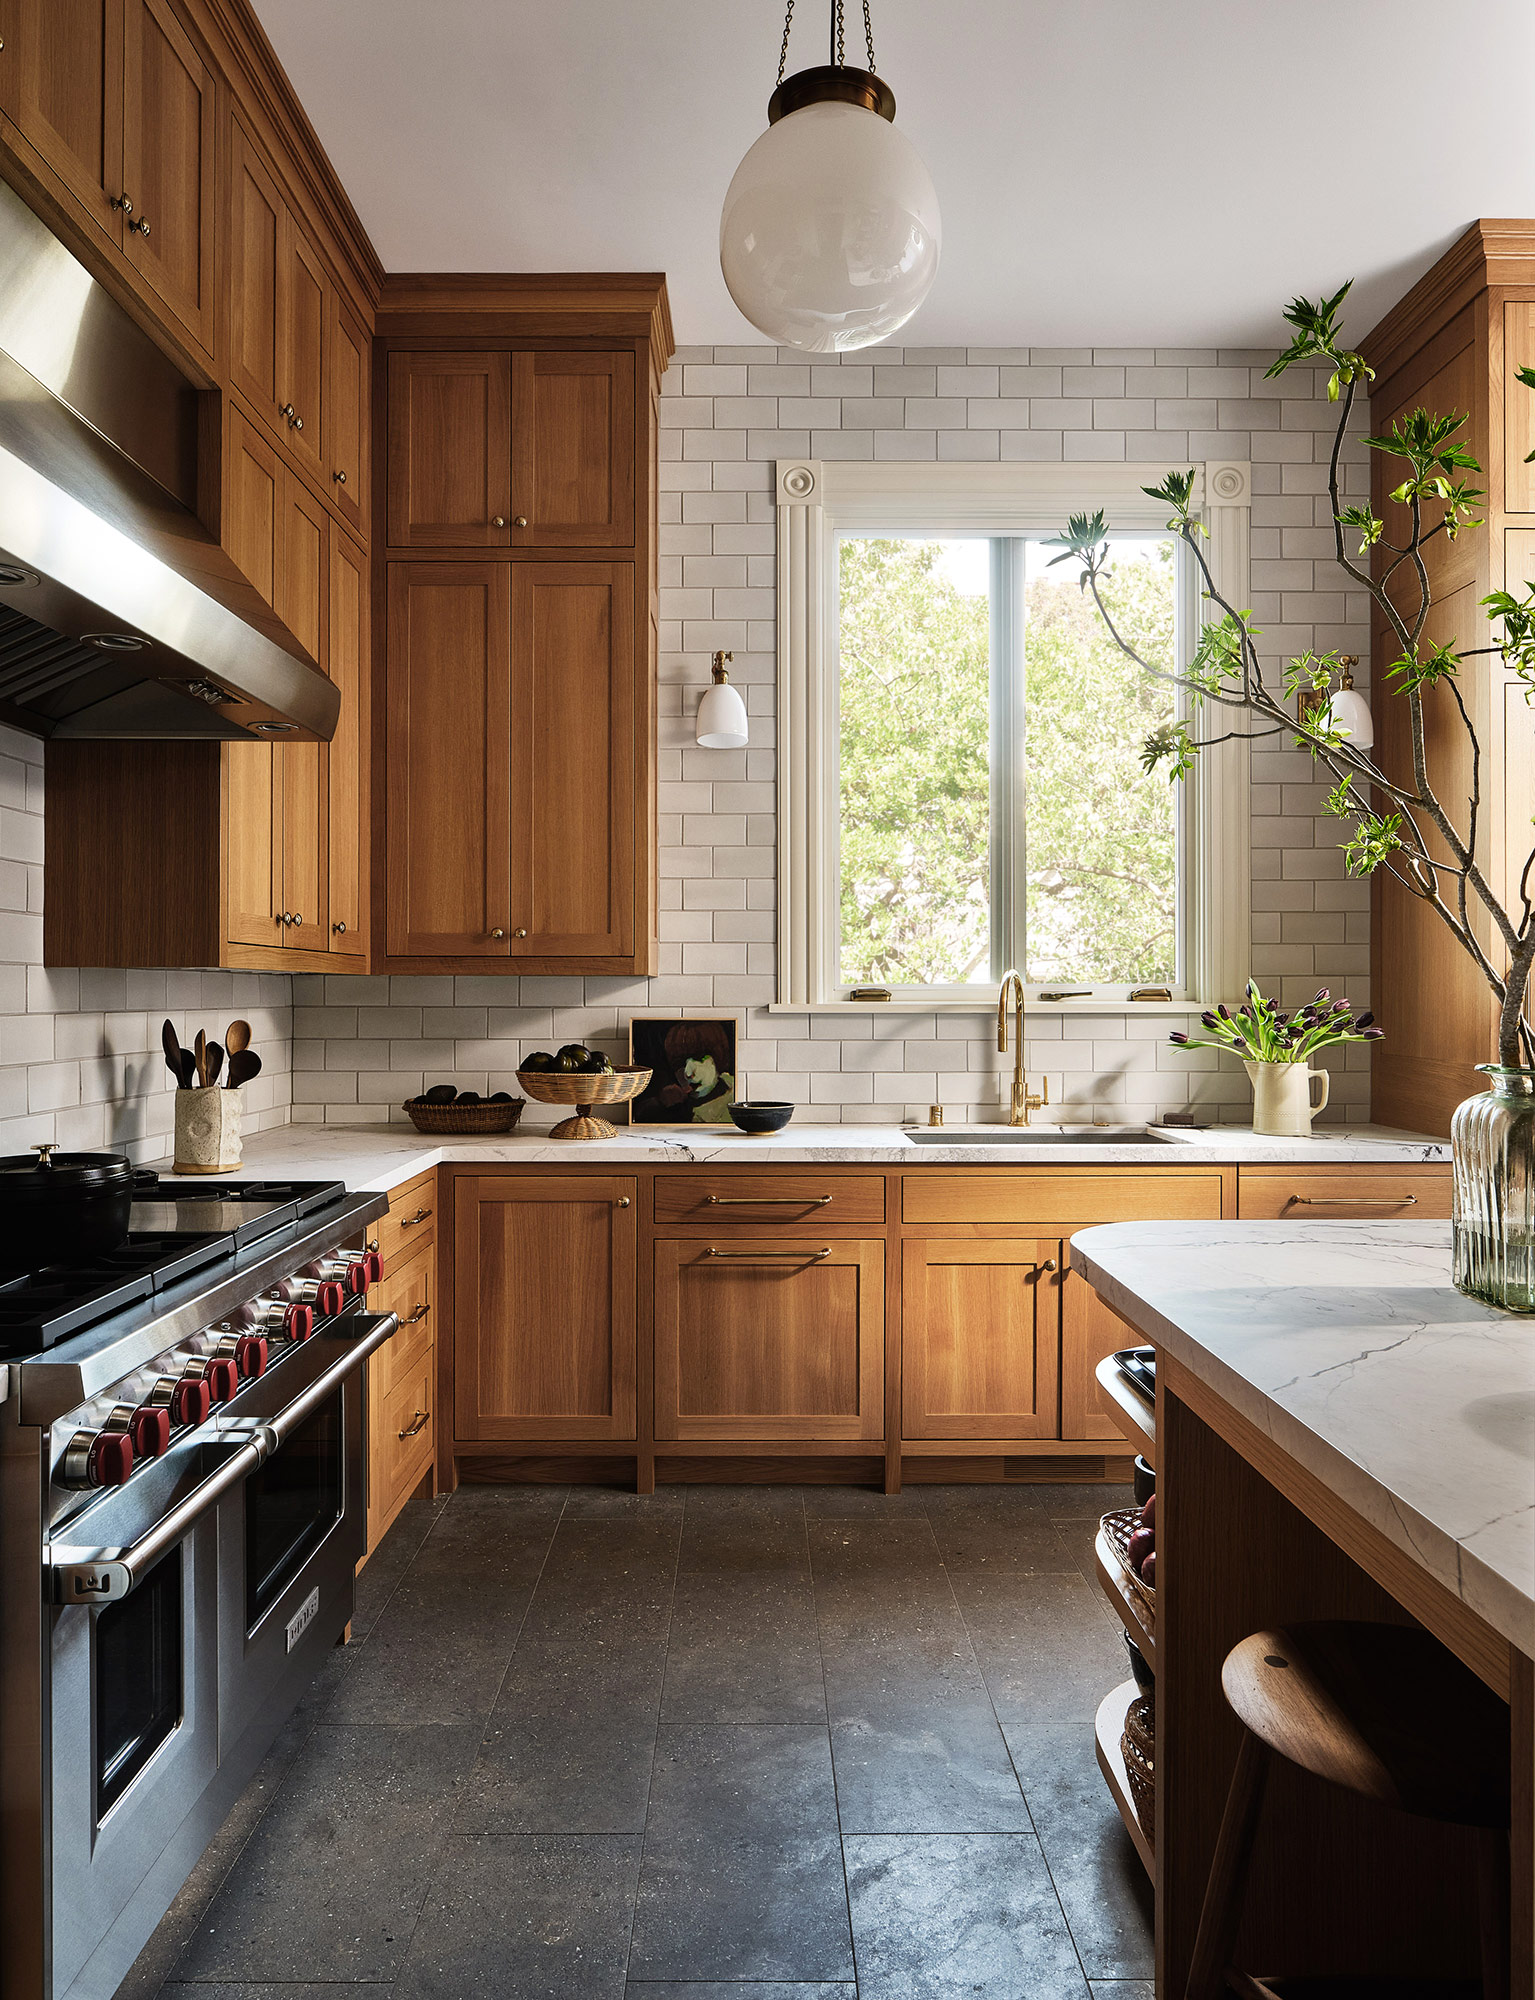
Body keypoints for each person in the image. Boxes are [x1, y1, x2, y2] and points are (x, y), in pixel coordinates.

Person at [637, 1021, 736, 1122]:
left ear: (718, 1056)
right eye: (680, 1065)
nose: (688, 1073)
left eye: (698, 1059)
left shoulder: (733, 1100)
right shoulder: (678, 1109)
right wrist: (660, 1103)